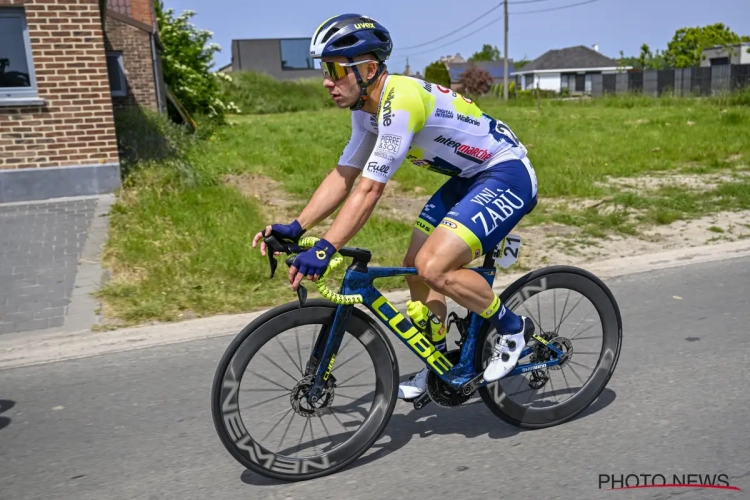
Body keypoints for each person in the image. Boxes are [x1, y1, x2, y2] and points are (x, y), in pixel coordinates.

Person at [252, 13, 538, 400]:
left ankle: (512, 327)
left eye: (335, 70)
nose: (327, 81)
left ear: (368, 68)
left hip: (506, 173)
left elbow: (370, 190)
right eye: (325, 69)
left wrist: (326, 246)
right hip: (471, 178)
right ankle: (440, 364)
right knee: (415, 269)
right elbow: (344, 175)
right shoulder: (365, 113)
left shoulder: (399, 101)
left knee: (434, 267)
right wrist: (297, 226)